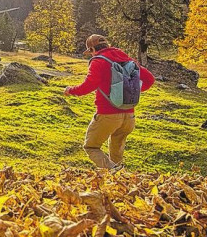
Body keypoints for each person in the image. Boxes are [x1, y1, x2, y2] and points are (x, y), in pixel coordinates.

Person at [65, 34, 155, 169]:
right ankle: (119, 182)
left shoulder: (98, 61)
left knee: (91, 146)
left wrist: (70, 90)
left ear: (92, 50)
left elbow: (88, 86)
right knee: (116, 151)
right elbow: (150, 79)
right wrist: (131, 90)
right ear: (107, 45)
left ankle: (114, 172)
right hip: (129, 116)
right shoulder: (126, 59)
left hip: (108, 115)